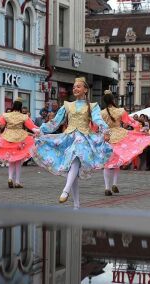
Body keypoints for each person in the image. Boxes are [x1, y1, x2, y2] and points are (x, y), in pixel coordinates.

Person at [32, 77, 112, 209]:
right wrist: (40, 130)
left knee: (75, 157)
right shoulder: (68, 105)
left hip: (84, 138)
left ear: (85, 89)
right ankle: (76, 205)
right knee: (72, 169)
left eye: (78, 86)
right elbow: (55, 122)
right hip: (69, 137)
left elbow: (98, 119)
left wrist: (105, 130)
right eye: (74, 87)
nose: (75, 89)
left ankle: (65, 190)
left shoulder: (92, 106)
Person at [101, 90, 150, 195]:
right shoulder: (120, 111)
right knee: (118, 162)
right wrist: (142, 128)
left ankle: (107, 188)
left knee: (107, 163)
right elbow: (132, 122)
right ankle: (115, 184)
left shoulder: (101, 113)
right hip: (120, 135)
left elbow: (97, 126)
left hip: (107, 137)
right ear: (113, 100)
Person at [0, 99, 39, 188]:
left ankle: (10, 178)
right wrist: (41, 132)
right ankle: (17, 181)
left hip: (7, 137)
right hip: (20, 138)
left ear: (13, 106)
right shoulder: (24, 116)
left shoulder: (6, 115)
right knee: (18, 160)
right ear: (20, 107)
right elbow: (33, 127)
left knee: (11, 160)